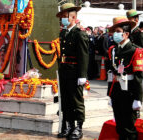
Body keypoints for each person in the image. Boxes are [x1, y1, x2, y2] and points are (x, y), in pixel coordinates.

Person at [107, 16, 143, 139]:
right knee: (119, 125)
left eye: (118, 32)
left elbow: (138, 76)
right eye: (114, 32)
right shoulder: (113, 50)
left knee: (128, 126)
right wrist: (110, 94)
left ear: (126, 34)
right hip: (117, 90)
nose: (115, 35)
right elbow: (111, 73)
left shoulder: (136, 51)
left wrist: (137, 98)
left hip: (129, 92)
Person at [56, 3, 89, 139]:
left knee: (76, 101)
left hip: (75, 72)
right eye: (62, 17)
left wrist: (82, 75)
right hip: (64, 72)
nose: (63, 19)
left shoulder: (79, 34)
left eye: (65, 17)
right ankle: (69, 125)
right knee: (66, 101)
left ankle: (78, 128)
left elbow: (83, 56)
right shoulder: (64, 33)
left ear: (73, 17)